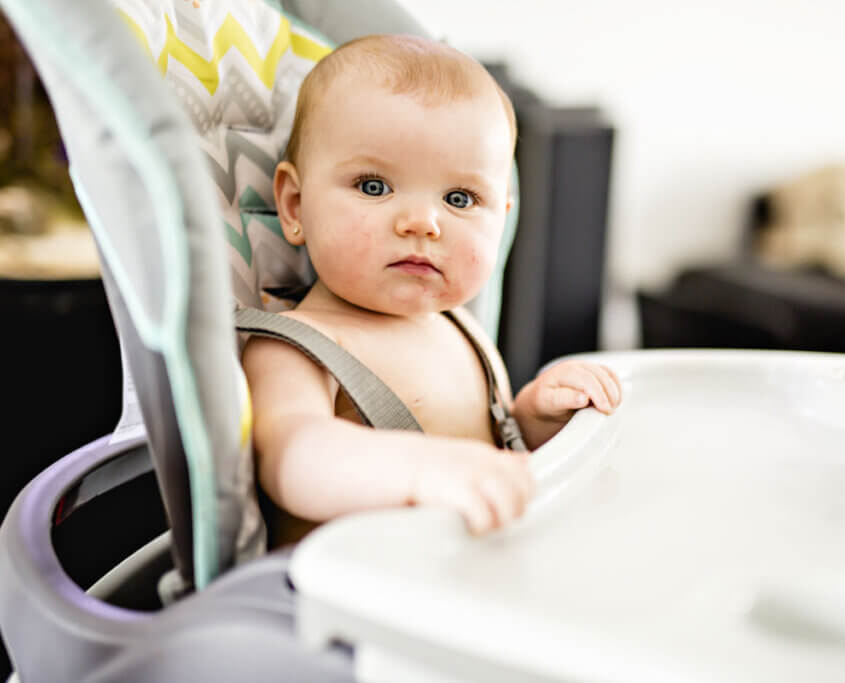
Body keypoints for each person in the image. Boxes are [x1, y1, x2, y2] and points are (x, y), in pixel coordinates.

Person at [242, 34, 622, 546]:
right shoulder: (294, 347)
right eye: (374, 186)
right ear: (294, 206)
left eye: (459, 198)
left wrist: (533, 421)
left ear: (501, 218)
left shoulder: (459, 326)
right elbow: (291, 457)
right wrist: (420, 473)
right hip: (351, 587)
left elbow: (486, 452)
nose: (423, 222)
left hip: (461, 575)